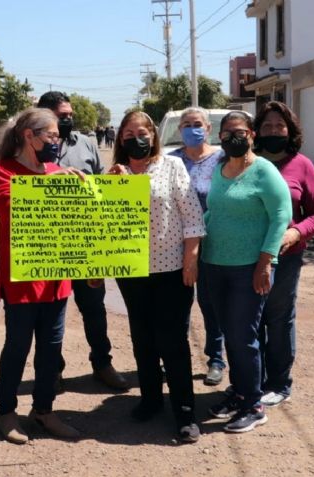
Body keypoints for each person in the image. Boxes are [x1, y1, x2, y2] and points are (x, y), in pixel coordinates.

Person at [107, 111, 205, 443]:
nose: (137, 137)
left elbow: (192, 216)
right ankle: (150, 400)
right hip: (132, 272)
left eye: (143, 131)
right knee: (143, 338)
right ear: (121, 139)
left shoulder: (172, 166)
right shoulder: (114, 174)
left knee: (173, 342)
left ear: (154, 135)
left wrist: (191, 259)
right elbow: (102, 226)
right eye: (130, 132)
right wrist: (112, 186)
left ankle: (185, 412)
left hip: (171, 271)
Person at [0, 107, 85, 444]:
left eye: (58, 137)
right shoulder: (3, 172)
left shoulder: (59, 171)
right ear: (29, 136)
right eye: (52, 136)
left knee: (51, 350)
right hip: (23, 282)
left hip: (57, 279)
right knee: (17, 347)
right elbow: (9, 205)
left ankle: (43, 411)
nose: (57, 142)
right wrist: (49, 181)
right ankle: (5, 411)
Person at [203, 111, 291, 433]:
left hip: (249, 268)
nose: (232, 139)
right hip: (215, 265)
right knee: (230, 334)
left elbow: (282, 215)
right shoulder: (219, 168)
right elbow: (213, 211)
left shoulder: (264, 171)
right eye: (226, 134)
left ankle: (253, 405)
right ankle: (239, 392)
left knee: (244, 337)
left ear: (251, 135)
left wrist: (266, 262)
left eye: (238, 132)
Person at [37, 91, 129, 392]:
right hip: (49, 245)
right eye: (62, 115)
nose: (69, 119)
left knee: (94, 308)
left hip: (87, 243)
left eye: (69, 114)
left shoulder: (87, 143)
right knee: (52, 313)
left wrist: (115, 181)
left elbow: (100, 189)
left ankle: (102, 364)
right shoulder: (26, 146)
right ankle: (54, 370)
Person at [253, 101, 314, 407]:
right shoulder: (246, 162)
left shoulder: (302, 165)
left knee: (278, 318)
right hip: (245, 256)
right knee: (249, 320)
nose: (273, 131)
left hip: (285, 257)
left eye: (279, 127)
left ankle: (279, 382)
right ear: (257, 131)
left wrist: (296, 232)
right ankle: (251, 380)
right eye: (267, 126)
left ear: (290, 130)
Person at [166, 107, 227, 387]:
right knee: (177, 304)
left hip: (213, 241)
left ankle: (216, 359)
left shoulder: (223, 159)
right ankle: (176, 359)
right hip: (175, 242)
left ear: (209, 128)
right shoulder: (170, 160)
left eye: (198, 124)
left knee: (211, 302)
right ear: (180, 131)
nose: (193, 129)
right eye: (187, 125)